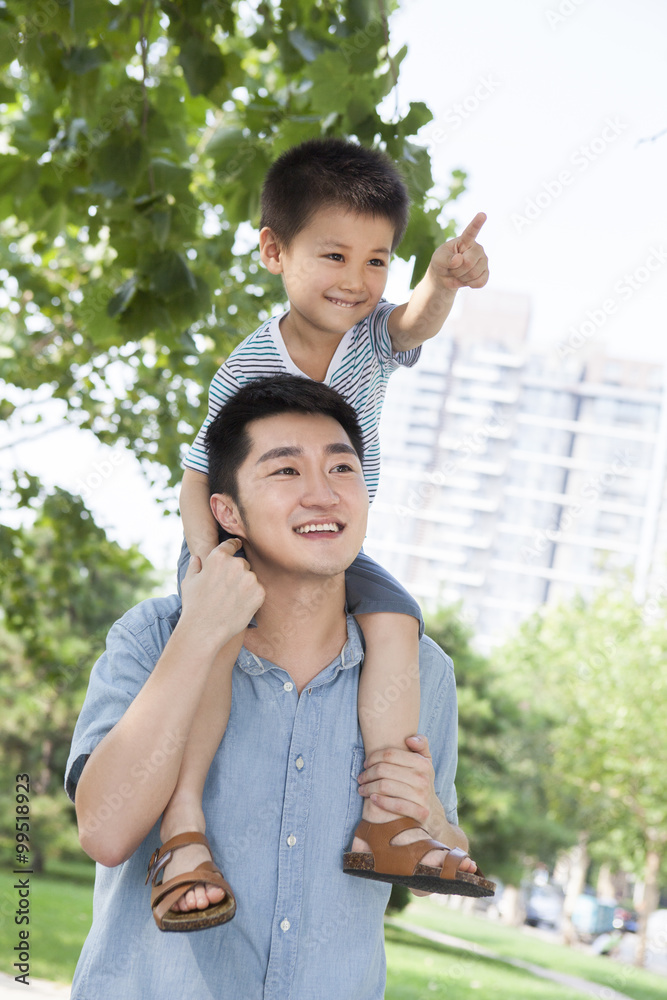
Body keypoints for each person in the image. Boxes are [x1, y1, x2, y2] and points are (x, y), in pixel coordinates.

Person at [66, 375, 493, 999]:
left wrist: (427, 814)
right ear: (227, 511)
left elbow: (439, 857)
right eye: (286, 472)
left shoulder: (421, 671)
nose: (323, 495)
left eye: (342, 469)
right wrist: (199, 634)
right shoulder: (152, 638)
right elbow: (104, 832)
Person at [165, 138, 489, 922]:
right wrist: (213, 573)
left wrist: (439, 281)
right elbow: (198, 475)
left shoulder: (374, 333)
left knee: (395, 618)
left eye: (376, 261)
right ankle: (182, 822)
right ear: (276, 251)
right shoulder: (248, 366)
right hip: (234, 540)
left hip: (326, 544)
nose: (355, 281)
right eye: (335, 255)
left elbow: (414, 322)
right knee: (210, 652)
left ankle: (386, 815)